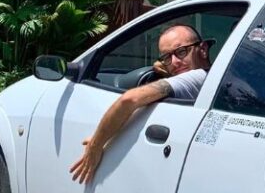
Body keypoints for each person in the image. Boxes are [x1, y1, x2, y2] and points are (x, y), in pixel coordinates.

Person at [70, 24, 212, 185]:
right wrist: (162, 67)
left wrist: (95, 146)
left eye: (181, 52)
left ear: (203, 49)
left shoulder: (197, 77)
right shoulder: (215, 78)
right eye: (166, 57)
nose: (174, 62)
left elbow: (129, 100)